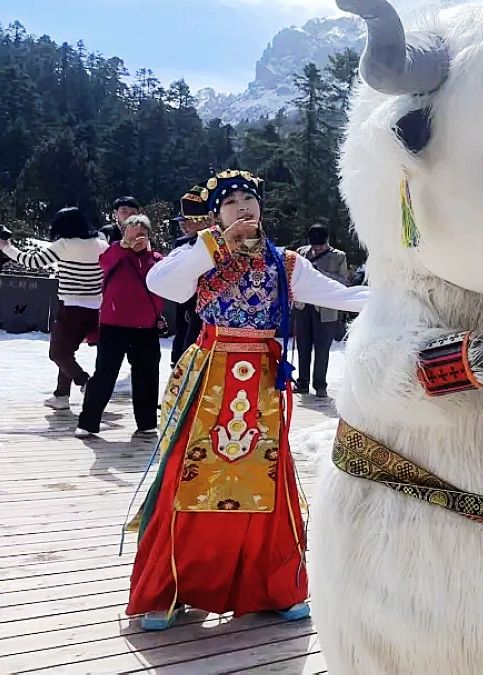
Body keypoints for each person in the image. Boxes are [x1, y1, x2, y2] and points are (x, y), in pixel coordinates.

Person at [124, 170, 368, 631]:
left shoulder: (286, 263)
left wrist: (406, 297)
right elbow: (162, 284)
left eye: (249, 199)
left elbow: (341, 295)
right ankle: (170, 588)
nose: (243, 207)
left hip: (261, 385)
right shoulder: (201, 256)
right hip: (210, 378)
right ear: (216, 214)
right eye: (231, 201)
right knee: (190, 476)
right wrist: (215, 243)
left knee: (265, 481)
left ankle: (272, 588)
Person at [1, 208, 107, 411]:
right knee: (67, 353)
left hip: (71, 307)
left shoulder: (64, 244)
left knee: (58, 353)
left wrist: (6, 247)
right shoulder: (101, 244)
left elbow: (32, 262)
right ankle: (61, 396)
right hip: (95, 308)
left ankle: (86, 383)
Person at [75, 215, 164, 438]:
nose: (137, 239)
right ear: (124, 234)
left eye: (141, 234)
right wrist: (122, 246)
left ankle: (147, 423)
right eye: (132, 235)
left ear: (149, 236)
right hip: (113, 325)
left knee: (147, 375)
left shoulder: (157, 260)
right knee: (105, 374)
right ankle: (88, 423)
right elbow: (103, 263)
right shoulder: (115, 254)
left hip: (147, 327)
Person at [292, 223, 351, 398]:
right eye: (314, 245)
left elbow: (344, 281)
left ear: (327, 241)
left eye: (320, 246)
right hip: (303, 307)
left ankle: (320, 385)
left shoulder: (339, 256)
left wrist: (321, 272)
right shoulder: (301, 253)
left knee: (322, 349)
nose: (316, 249)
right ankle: (302, 383)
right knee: (303, 348)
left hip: (326, 310)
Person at [169, 187, 211, 365]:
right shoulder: (182, 244)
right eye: (182, 222)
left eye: (189, 221)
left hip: (211, 306)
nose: (184, 226)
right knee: (185, 339)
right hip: (187, 302)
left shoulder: (221, 242)